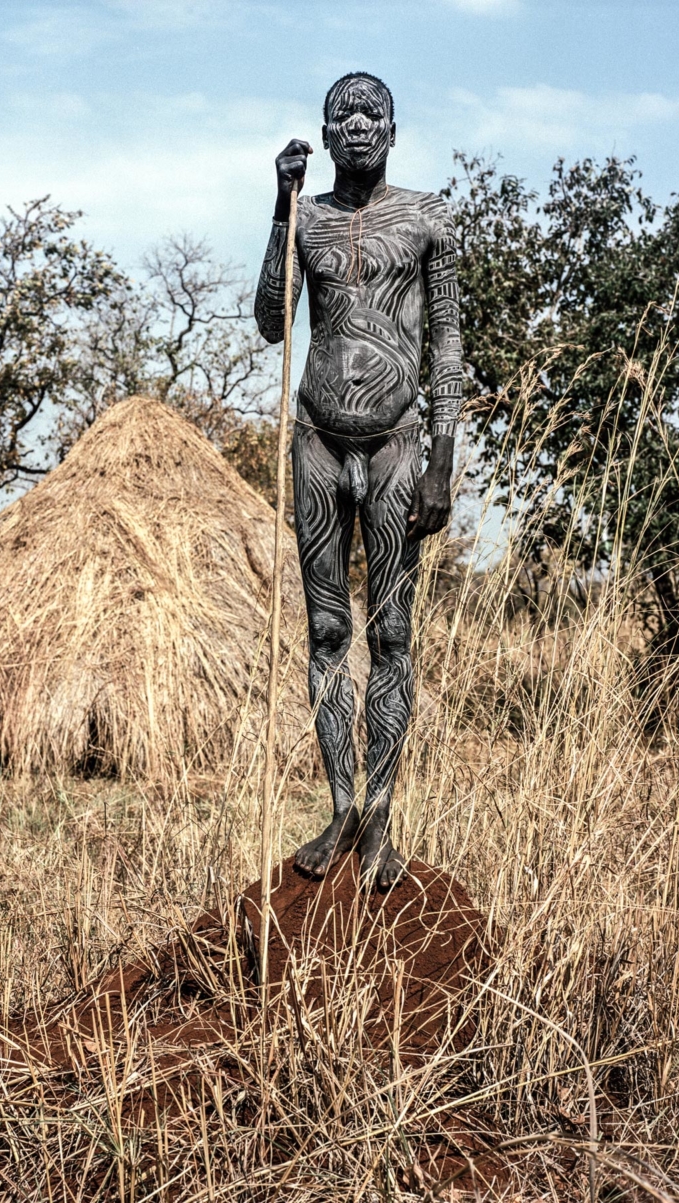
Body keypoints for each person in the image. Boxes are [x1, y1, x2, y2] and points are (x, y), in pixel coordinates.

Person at [254, 71, 463, 889]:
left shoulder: (427, 217)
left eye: (373, 113)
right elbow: (274, 319)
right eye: (344, 115)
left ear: (395, 130)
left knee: (393, 636)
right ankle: (340, 802)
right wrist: (280, 209)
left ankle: (381, 815)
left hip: (397, 444)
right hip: (315, 440)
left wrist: (443, 458)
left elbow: (445, 340)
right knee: (328, 635)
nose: (359, 125)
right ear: (326, 131)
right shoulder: (306, 217)